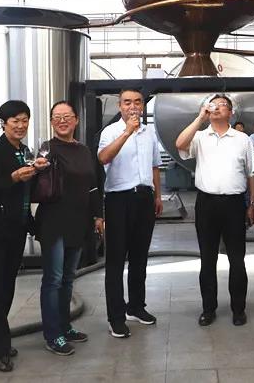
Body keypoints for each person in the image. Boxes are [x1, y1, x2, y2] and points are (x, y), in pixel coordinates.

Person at [0, 100, 48, 372]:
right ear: (4, 123)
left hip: (16, 227)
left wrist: (37, 169)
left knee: (6, 288)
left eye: (24, 120)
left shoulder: (24, 151)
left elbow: (26, 192)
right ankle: (0, 349)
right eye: (15, 121)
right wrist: (15, 177)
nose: (20, 125)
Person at [176, 94, 254, 326]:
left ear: (231, 112)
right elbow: (180, 144)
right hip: (207, 204)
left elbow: (251, 173)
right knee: (207, 259)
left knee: (237, 259)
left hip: (234, 204)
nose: (217, 108)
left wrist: (252, 204)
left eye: (223, 105)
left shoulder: (242, 139)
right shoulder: (200, 136)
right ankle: (208, 309)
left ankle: (238, 309)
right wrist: (199, 118)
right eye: (213, 105)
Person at [36, 100, 103, 356]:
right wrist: (37, 168)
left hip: (79, 221)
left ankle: (65, 327)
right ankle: (53, 335)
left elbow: (93, 186)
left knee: (68, 278)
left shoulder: (84, 151)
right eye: (57, 117)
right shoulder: (47, 149)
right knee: (53, 279)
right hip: (53, 221)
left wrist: (98, 216)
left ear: (76, 120)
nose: (62, 121)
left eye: (67, 116)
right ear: (51, 122)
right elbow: (39, 178)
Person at [98, 88, 163, 339]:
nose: (133, 106)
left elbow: (155, 165)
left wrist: (157, 196)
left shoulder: (149, 133)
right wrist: (126, 132)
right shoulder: (110, 131)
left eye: (137, 102)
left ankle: (136, 306)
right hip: (118, 199)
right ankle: (116, 317)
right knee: (116, 260)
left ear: (143, 106)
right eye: (127, 102)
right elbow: (103, 158)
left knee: (140, 257)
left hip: (144, 198)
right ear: (120, 106)